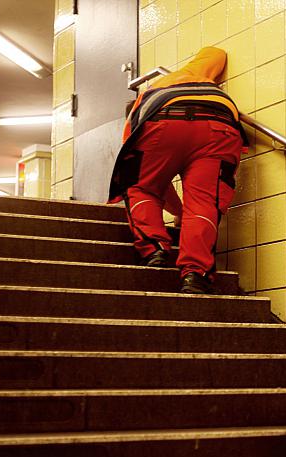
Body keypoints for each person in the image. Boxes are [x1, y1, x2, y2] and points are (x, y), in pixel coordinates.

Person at [108, 47, 247, 294]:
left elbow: (150, 184)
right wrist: (185, 211)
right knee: (204, 202)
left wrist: (178, 211)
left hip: (161, 121)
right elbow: (217, 53)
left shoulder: (139, 110)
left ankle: (154, 248)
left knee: (137, 186)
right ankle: (195, 274)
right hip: (220, 124)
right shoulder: (190, 74)